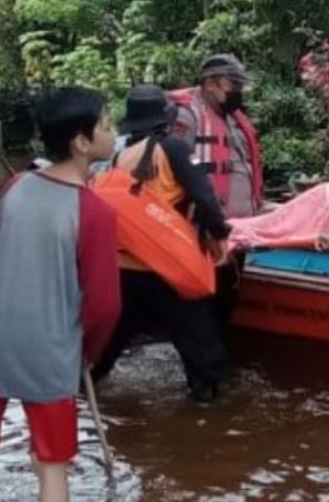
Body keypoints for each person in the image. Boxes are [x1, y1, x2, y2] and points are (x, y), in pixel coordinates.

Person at [0, 87, 120, 502]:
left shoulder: (16, 186)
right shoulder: (94, 212)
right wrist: (89, 353)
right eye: (108, 124)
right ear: (82, 142)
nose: (114, 132)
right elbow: (104, 308)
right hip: (50, 352)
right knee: (53, 467)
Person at [92, 84, 234, 402]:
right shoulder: (173, 148)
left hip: (124, 268)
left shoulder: (118, 156)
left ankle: (83, 390)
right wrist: (220, 236)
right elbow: (204, 197)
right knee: (203, 347)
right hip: (167, 267)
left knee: (112, 340)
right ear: (165, 118)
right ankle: (207, 410)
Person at [169, 54, 264, 220]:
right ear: (211, 84)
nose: (238, 90)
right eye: (233, 84)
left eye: (240, 85)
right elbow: (175, 168)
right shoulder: (188, 116)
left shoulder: (234, 118)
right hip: (209, 227)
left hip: (246, 225)